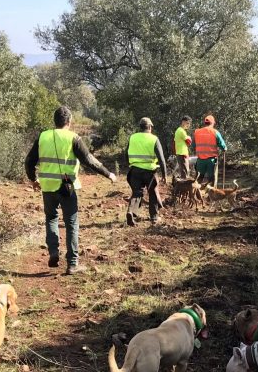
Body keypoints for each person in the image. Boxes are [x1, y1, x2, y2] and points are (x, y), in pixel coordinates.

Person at [24, 105, 116, 275]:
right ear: (69, 121)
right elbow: (89, 160)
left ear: (55, 121)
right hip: (67, 187)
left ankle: (53, 251)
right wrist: (108, 173)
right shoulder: (74, 138)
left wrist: (33, 180)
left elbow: (29, 161)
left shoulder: (43, 136)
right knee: (71, 222)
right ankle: (72, 264)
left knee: (51, 218)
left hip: (48, 186)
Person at [125, 117, 169, 226]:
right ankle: (154, 217)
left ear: (140, 127)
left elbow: (126, 154)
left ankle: (131, 212)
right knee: (153, 192)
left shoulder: (133, 137)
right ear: (149, 127)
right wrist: (164, 175)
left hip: (135, 170)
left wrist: (130, 165)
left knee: (137, 192)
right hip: (150, 172)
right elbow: (161, 158)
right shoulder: (154, 139)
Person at [193, 114, 227, 186]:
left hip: (200, 160)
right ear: (212, 123)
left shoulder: (197, 132)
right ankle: (211, 196)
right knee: (211, 179)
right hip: (211, 161)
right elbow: (222, 144)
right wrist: (224, 148)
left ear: (205, 123)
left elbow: (194, 144)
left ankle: (195, 192)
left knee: (199, 178)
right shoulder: (215, 132)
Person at [173, 115, 193, 180]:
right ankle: (185, 188)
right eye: (187, 123)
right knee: (185, 173)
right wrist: (189, 137)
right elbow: (189, 142)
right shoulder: (182, 131)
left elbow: (174, 143)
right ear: (183, 122)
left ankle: (183, 187)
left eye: (189, 124)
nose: (188, 125)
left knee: (183, 172)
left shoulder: (178, 130)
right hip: (183, 153)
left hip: (179, 153)